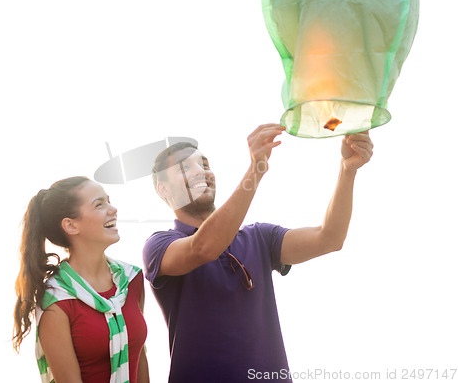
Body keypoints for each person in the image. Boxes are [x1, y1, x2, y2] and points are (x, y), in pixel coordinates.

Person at [143, 123, 374, 383]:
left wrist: (348, 170)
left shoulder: (260, 237)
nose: (201, 172)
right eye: (184, 168)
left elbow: (329, 238)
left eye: (205, 165)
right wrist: (256, 169)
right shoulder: (159, 245)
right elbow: (204, 248)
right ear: (163, 189)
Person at [13, 176, 149, 383]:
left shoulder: (131, 279)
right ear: (71, 226)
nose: (113, 209)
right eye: (99, 205)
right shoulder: (56, 300)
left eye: (108, 201)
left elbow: (139, 358)